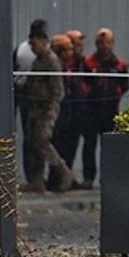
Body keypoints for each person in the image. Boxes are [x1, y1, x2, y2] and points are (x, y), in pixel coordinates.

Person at [20, 24, 74, 193]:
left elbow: (58, 88)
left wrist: (52, 106)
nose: (32, 47)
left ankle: (63, 171)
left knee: (42, 142)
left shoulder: (51, 60)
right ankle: (37, 181)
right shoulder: (38, 61)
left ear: (44, 42)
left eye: (34, 43)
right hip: (35, 107)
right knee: (33, 143)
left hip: (46, 109)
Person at [75, 28, 127, 189]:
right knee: (89, 145)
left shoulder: (119, 65)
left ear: (113, 44)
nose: (105, 45)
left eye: (108, 42)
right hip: (91, 112)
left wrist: (114, 96)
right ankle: (88, 178)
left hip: (110, 112)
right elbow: (82, 83)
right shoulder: (89, 63)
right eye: (101, 42)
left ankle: (108, 178)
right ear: (97, 44)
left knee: (109, 147)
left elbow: (124, 85)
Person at [13, 18, 45, 184]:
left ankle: (34, 175)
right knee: (33, 136)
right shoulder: (40, 51)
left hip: (28, 95)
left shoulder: (21, 49)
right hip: (29, 96)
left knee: (33, 137)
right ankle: (33, 176)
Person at [49, 33, 81, 181]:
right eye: (68, 49)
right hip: (59, 109)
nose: (72, 51)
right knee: (57, 143)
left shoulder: (71, 65)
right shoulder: (56, 65)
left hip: (70, 109)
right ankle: (58, 177)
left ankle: (62, 177)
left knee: (68, 144)